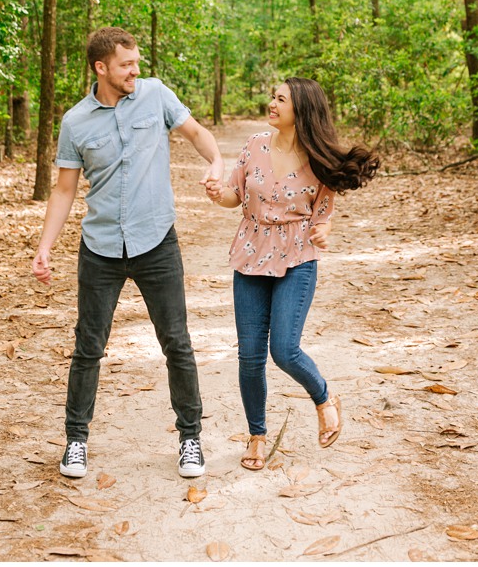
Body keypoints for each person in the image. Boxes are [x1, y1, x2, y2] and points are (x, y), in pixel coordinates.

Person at [32, 27, 224, 480]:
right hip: (100, 249)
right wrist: (44, 248)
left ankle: (190, 438)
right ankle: (76, 442)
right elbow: (64, 190)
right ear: (101, 68)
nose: (135, 71)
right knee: (88, 347)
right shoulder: (75, 121)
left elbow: (197, 133)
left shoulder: (155, 95)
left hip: (156, 240)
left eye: (136, 63)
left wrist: (216, 162)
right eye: (126, 65)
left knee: (176, 343)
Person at [204, 77, 379, 471]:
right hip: (250, 256)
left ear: (301, 110)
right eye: (272, 96)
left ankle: (324, 398)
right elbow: (235, 195)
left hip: (297, 258)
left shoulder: (319, 161)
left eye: (281, 99)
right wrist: (219, 195)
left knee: (283, 349)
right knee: (250, 357)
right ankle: (257, 436)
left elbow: (325, 211)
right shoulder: (253, 146)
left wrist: (325, 228)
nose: (272, 103)